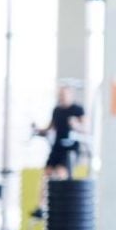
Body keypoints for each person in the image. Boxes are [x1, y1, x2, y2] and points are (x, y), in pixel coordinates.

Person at [32, 85, 87, 218]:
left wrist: (75, 125)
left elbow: (85, 128)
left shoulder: (78, 110)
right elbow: (50, 128)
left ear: (70, 95)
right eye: (60, 95)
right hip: (57, 147)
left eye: (64, 95)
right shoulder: (56, 110)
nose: (62, 97)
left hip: (70, 149)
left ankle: (61, 205)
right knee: (47, 175)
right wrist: (38, 130)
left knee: (61, 174)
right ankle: (41, 207)